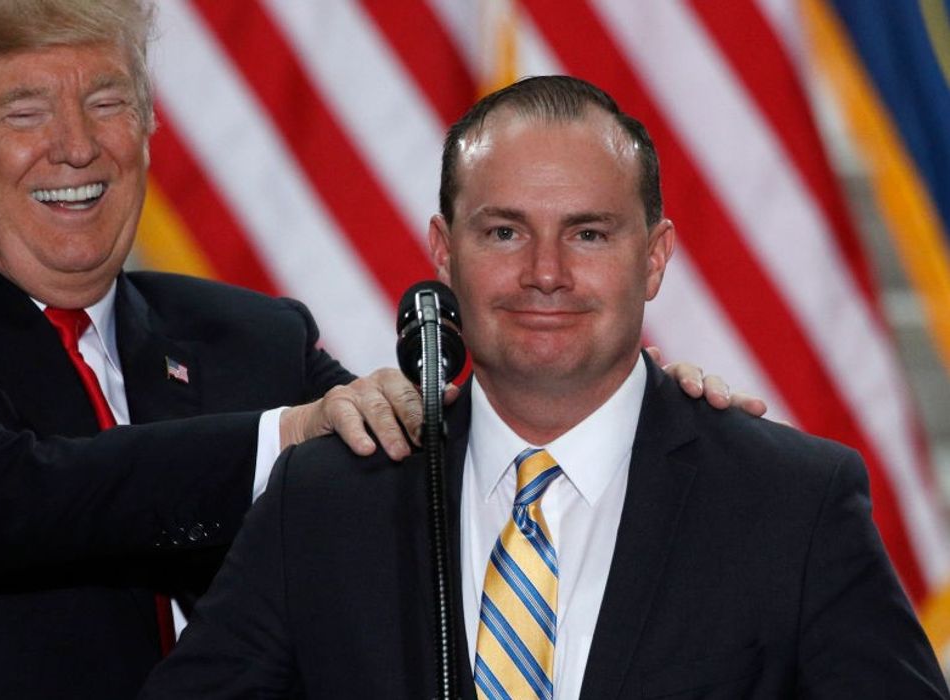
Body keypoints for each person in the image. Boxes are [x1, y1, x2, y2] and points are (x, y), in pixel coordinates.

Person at [0, 1, 762, 696]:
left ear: (144, 130)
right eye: (24, 110)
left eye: (107, 101)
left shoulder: (250, 338)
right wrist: (285, 439)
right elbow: (4, 495)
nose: (77, 144)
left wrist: (612, 420)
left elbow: (440, 489)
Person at [139, 76, 949, 699]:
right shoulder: (325, 498)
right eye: (503, 232)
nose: (545, 275)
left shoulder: (791, 505)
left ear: (655, 257)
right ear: (442, 252)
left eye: (588, 234)